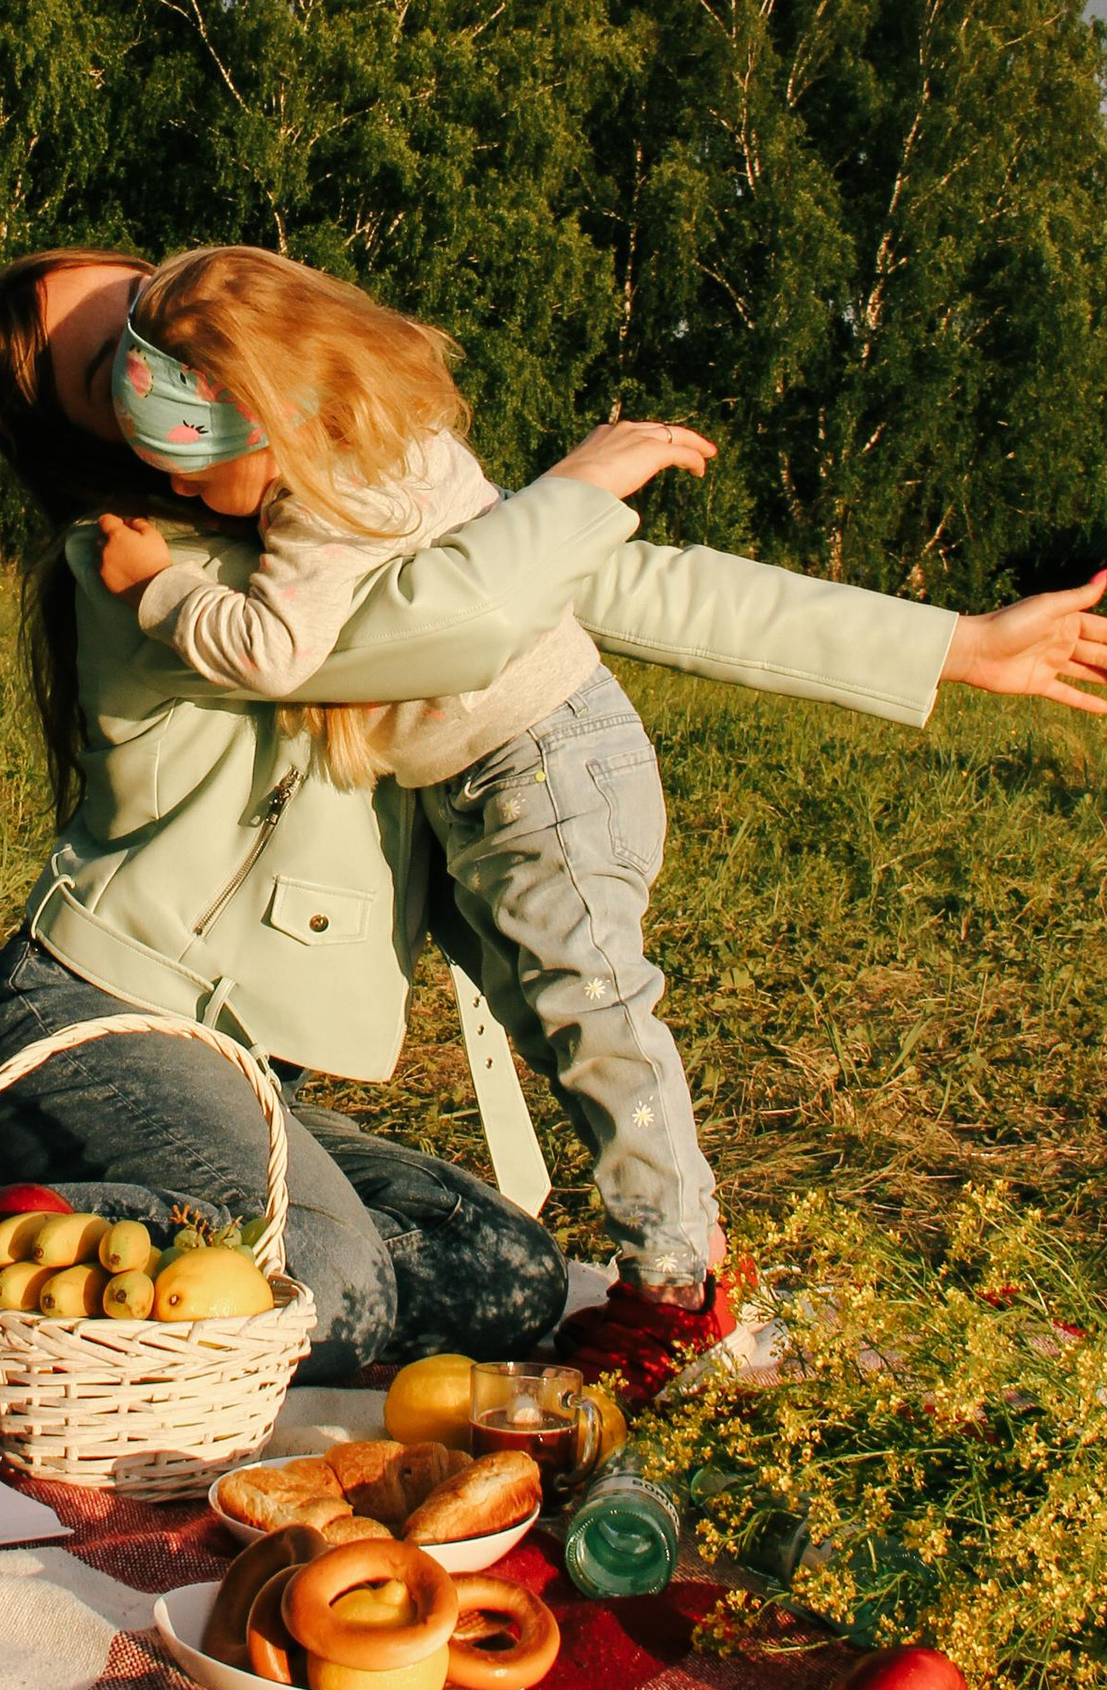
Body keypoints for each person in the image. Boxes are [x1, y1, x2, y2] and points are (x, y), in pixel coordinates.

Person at [0, 246, 1107, 1377]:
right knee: (336, 1293)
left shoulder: (334, 509)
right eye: (104, 363)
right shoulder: (141, 572)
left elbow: (598, 589)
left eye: (149, 310)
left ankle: (133, 1226)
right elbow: (459, 616)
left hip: (247, 1069)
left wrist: (951, 645)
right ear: (88, 435)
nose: (155, 356)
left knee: (504, 1279)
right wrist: (569, 494)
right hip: (93, 1017)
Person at [94, 244, 732, 1333]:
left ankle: (679, 1281)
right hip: (529, 765)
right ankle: (676, 1251)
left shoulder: (324, 504)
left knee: (595, 1013)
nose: (176, 487)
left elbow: (275, 653)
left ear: (266, 421)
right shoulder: (394, 445)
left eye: (190, 465)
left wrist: (161, 589)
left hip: (538, 767)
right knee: (568, 1016)